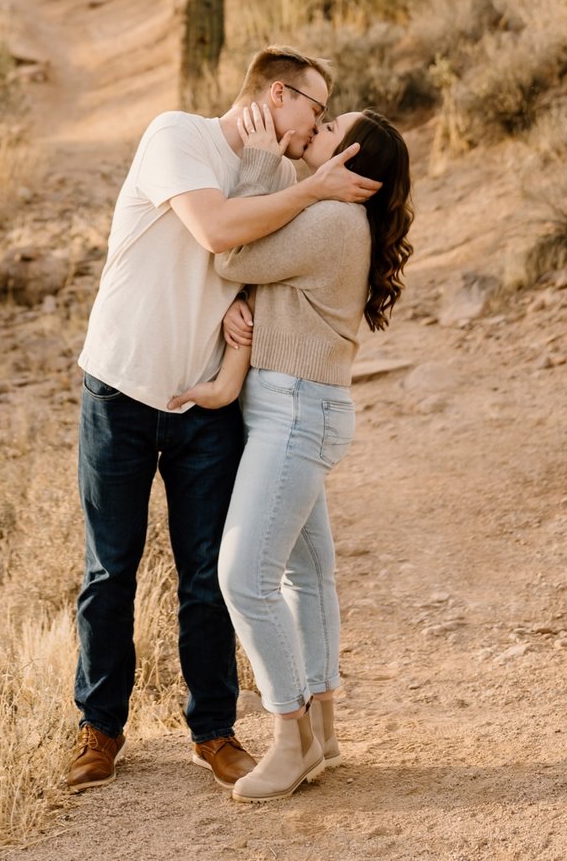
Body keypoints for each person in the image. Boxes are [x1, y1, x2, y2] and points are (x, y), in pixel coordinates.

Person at [66, 47, 380, 794]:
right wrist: (306, 191)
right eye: (316, 108)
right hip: (122, 384)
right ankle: (99, 727)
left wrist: (294, 188)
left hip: (208, 398)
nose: (317, 127)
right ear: (280, 93)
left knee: (208, 572)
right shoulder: (176, 134)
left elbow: (259, 258)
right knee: (111, 566)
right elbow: (216, 232)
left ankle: (214, 730)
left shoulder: (278, 175)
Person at [196, 109, 413, 804]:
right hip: (302, 410)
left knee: (243, 577)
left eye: (328, 131)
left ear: (347, 162)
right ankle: (322, 727)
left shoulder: (329, 222)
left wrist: (261, 164)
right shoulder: (337, 220)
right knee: (308, 573)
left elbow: (230, 253)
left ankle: (288, 739)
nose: (312, 133)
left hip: (293, 414)